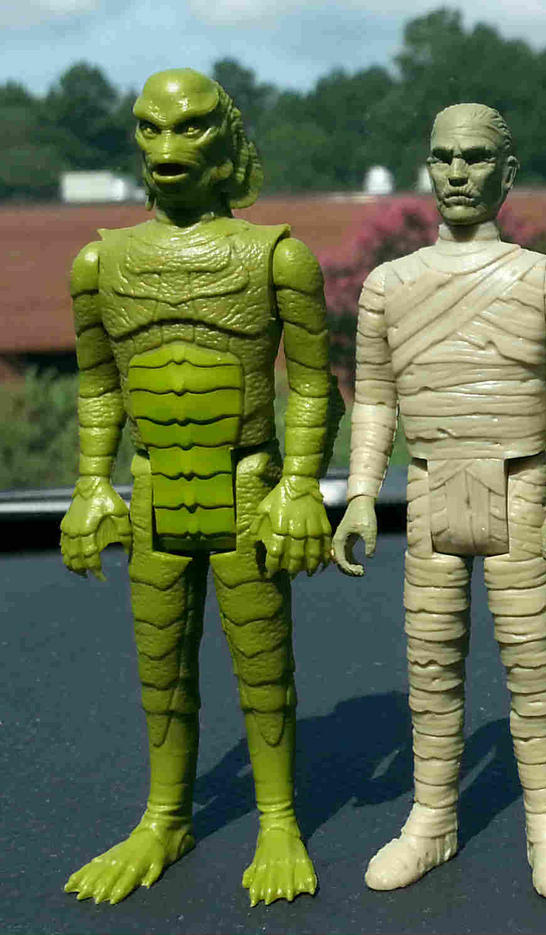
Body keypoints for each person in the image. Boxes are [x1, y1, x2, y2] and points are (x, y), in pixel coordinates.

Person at [59, 68, 339, 906]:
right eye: (151, 128)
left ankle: (278, 819)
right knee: (160, 668)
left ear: (228, 138)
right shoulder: (98, 263)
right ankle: (164, 817)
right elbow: (97, 386)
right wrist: (89, 484)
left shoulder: (279, 257)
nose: (168, 145)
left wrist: (300, 485)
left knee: (263, 662)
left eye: (189, 127)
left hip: (247, 487)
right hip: (151, 491)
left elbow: (315, 386)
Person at [331, 103, 546, 900]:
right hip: (431, 483)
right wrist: (359, 493)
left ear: (506, 173)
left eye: (475, 157)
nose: (457, 172)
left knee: (532, 662)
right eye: (443, 156)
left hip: (521, 484)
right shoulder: (389, 286)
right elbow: (374, 399)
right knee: (431, 661)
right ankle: (433, 816)